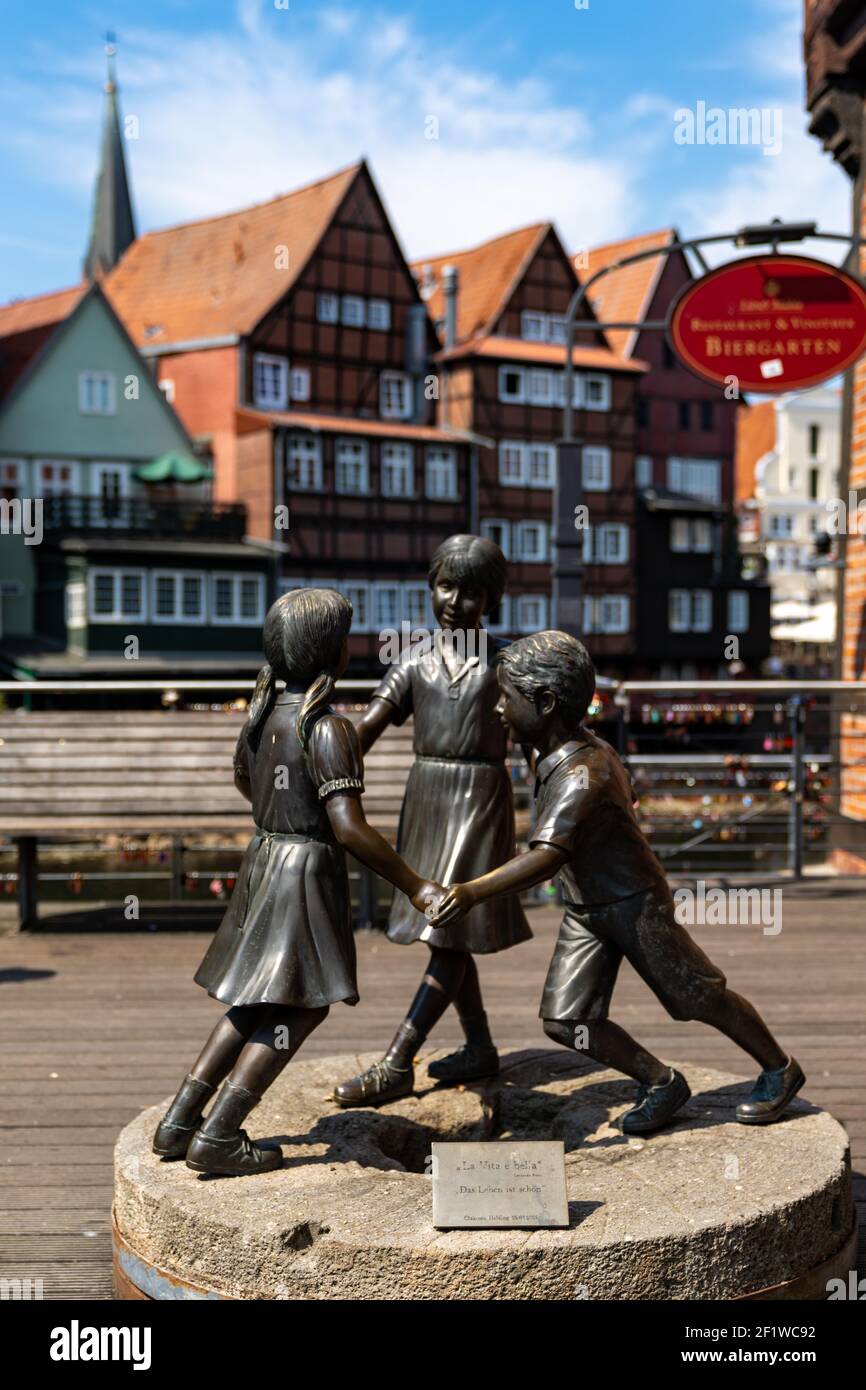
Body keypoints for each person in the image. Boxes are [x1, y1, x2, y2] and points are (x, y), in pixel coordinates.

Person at [432, 630, 805, 1134]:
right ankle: (660, 1081)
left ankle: (780, 1068)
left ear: (544, 703)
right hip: (587, 908)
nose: (497, 707)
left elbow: (545, 858)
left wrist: (470, 891)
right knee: (568, 1020)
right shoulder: (545, 748)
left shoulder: (584, 775)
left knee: (696, 996)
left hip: (635, 903)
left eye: (506, 697)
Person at [152, 589, 444, 1176]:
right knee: (302, 1007)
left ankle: (180, 1120)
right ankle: (221, 1131)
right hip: (305, 875)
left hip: (264, 861)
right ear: (334, 656)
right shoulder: (327, 729)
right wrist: (416, 885)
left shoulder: (261, 719)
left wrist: (280, 821)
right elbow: (350, 829)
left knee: (252, 999)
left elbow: (247, 784)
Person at [334, 535, 531, 1108]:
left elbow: (541, 737)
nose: (454, 601)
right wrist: (313, 757)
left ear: (491, 599)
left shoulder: (507, 662)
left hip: (480, 796)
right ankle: (480, 1047)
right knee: (450, 932)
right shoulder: (413, 662)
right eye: (446, 586)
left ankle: (399, 1060)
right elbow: (365, 730)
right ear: (430, 586)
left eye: (471, 593)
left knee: (446, 925)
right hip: (427, 798)